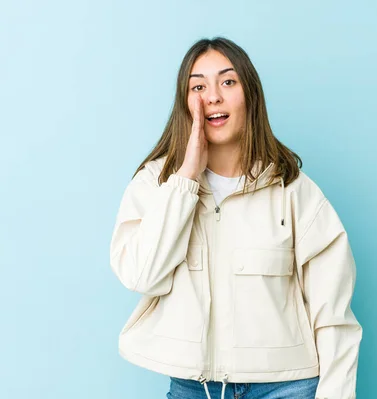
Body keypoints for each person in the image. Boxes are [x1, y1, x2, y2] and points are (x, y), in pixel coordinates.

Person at [109, 36, 362, 399]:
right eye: (199, 86)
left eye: (228, 82)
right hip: (193, 389)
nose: (213, 96)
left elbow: (334, 316)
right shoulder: (156, 183)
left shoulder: (293, 190)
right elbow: (140, 273)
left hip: (286, 388)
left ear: (250, 96)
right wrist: (186, 179)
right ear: (186, 102)